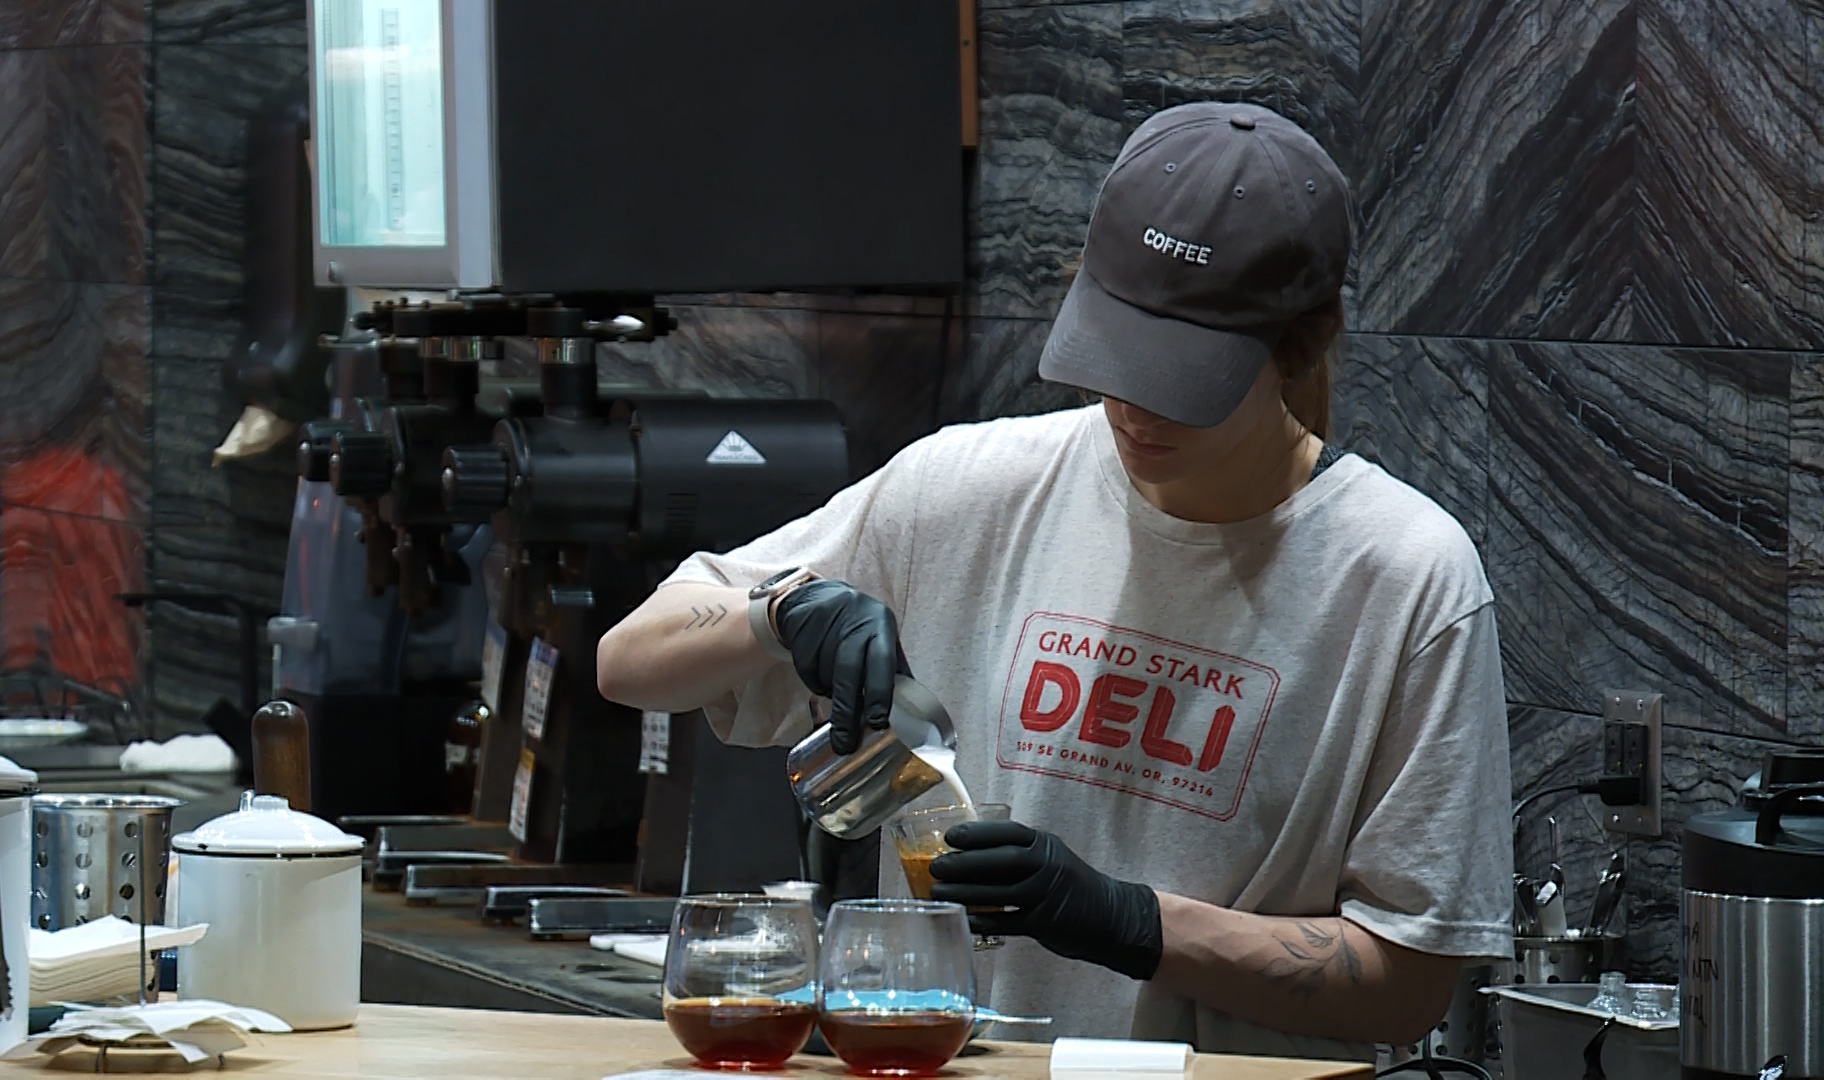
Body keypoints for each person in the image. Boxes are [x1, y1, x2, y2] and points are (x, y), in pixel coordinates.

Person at [596, 102, 1511, 1061]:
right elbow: (630, 661)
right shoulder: (966, 489)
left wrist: (1126, 922)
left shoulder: (1406, 580)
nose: (1133, 404)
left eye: (1183, 375)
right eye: (1116, 356)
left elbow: (1407, 984)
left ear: (1299, 343)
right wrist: (781, 613)